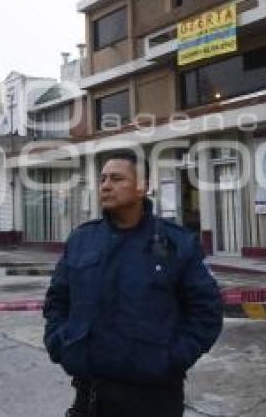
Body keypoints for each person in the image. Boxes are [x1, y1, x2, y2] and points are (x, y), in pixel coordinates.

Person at [43, 150, 223, 417]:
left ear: (142, 187)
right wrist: (60, 344)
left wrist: (172, 359)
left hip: (153, 397)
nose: (105, 185)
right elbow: (57, 300)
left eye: (116, 178)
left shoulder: (178, 243)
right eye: (103, 179)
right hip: (90, 395)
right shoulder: (82, 240)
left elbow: (206, 312)